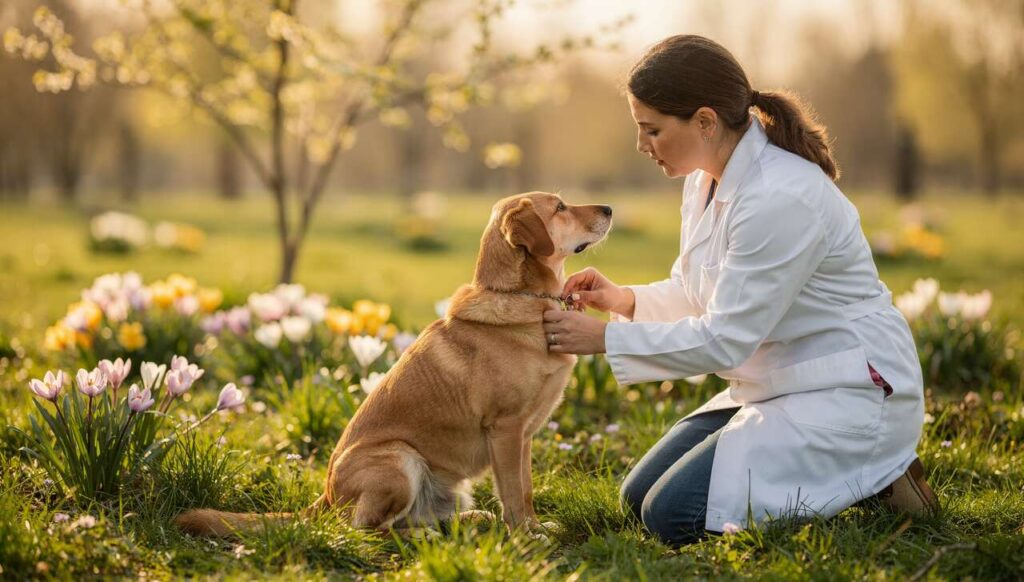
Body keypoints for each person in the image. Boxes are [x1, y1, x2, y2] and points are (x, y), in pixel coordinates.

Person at [541, 35, 938, 546]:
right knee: (636, 497)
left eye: (652, 129)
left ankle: (876, 477)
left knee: (671, 516)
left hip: (848, 389)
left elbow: (725, 339)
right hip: (776, 381)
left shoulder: (780, 196)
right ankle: (840, 477)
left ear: (705, 122)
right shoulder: (704, 179)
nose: (642, 145)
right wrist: (625, 300)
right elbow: (701, 290)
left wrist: (603, 339)